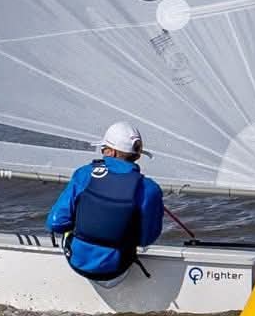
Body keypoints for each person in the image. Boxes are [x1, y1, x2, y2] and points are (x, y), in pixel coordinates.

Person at [45, 120, 165, 281]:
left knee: (71, 221)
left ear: (111, 152)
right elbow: (145, 240)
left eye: (103, 149)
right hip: (118, 266)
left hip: (76, 262)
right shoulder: (150, 189)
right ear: (137, 155)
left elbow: (56, 223)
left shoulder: (83, 174)